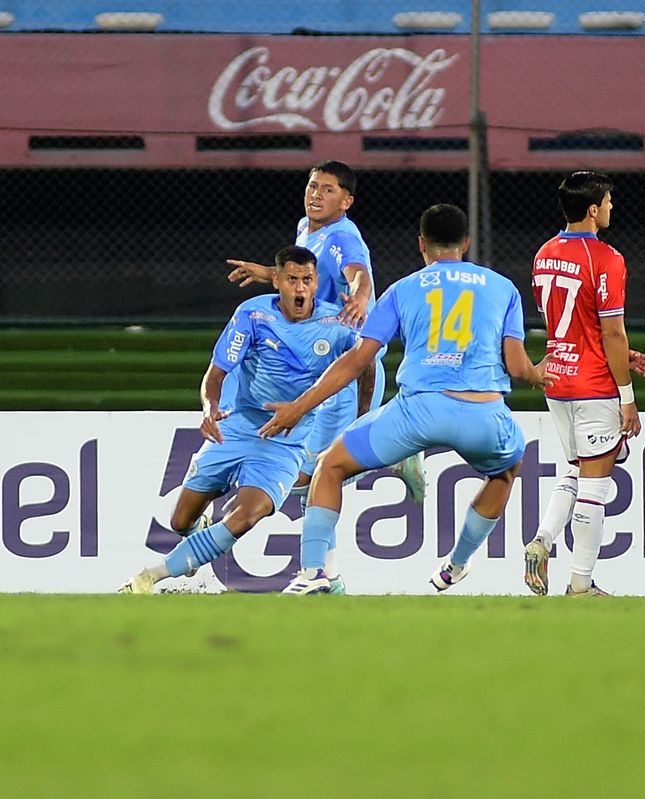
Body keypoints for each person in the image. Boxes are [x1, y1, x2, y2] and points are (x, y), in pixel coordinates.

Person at [260, 204, 554, 594]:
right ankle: (457, 564)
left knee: (329, 468)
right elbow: (518, 368)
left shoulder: (404, 288)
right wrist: (539, 374)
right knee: (505, 471)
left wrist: (299, 407)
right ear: (465, 243)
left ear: (421, 245)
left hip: (417, 412)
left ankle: (314, 573)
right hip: (482, 413)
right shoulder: (502, 287)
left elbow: (357, 360)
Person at [225, 160, 426, 593]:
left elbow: (358, 272)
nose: (316, 194)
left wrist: (359, 295)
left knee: (313, 473)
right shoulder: (307, 228)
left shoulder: (342, 235)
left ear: (346, 200)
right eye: (313, 185)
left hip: (346, 369)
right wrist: (270, 275)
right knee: (316, 475)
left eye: (328, 189)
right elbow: (313, 280)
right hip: (323, 368)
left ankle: (393, 452)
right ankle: (326, 573)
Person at [119, 246, 369, 594]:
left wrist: (362, 416)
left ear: (316, 284)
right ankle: (195, 540)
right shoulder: (252, 315)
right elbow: (216, 373)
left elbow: (366, 363)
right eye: (292, 280)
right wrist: (209, 409)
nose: (300, 289)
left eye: (307, 280)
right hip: (235, 429)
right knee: (180, 521)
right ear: (277, 281)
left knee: (244, 516)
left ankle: (149, 577)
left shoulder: (336, 324)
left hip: (286, 443)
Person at [522, 171, 645, 598]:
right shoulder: (607, 259)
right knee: (597, 485)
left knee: (577, 469)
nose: (612, 208)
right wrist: (627, 398)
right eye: (609, 202)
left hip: (557, 378)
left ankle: (542, 540)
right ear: (594, 209)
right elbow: (612, 332)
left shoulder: (544, 253)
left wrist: (613, 353)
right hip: (594, 384)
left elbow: (565, 323)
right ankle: (580, 585)